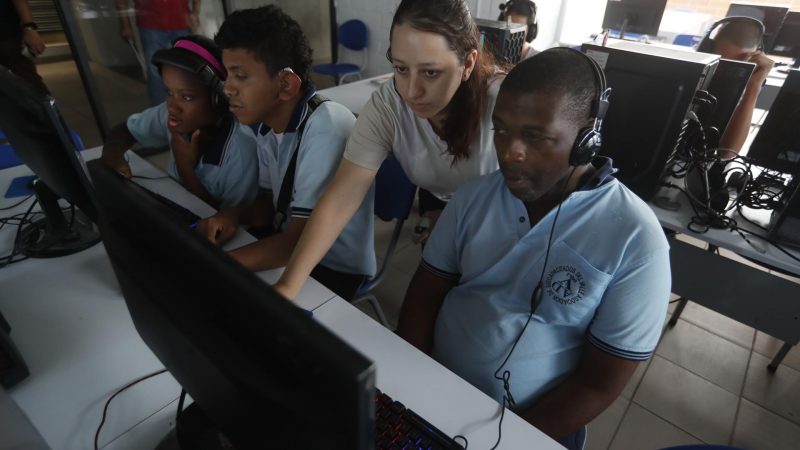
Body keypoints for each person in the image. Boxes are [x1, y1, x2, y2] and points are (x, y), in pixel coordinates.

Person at [396, 48, 670, 449]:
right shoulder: (473, 198)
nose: (511, 153)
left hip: (526, 431)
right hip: (433, 393)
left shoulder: (636, 241)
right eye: (502, 131)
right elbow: (425, 291)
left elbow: (597, 385)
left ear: (586, 140)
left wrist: (499, 440)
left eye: (536, 136)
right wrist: (408, 383)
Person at [274, 0, 503, 300]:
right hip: (446, 211)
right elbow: (342, 196)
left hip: (504, 224)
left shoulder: (502, 104)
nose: (411, 91)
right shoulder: (388, 105)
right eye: (401, 68)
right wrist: (288, 286)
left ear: (468, 64)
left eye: (431, 73)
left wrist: (457, 221)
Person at [195, 6, 375, 300]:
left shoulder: (325, 127)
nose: (227, 88)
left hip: (333, 267)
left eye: (240, 76)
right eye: (227, 75)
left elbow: (299, 242)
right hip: (287, 244)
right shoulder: (267, 127)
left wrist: (214, 264)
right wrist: (235, 214)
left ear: (286, 85)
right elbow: (270, 205)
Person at [100, 34, 258, 210]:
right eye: (168, 92)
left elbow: (231, 225)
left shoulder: (241, 155)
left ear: (218, 99)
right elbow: (125, 130)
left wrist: (186, 172)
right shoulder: (171, 116)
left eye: (187, 97)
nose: (173, 106)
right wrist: (113, 153)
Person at [697, 17, 774, 156]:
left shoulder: (747, 81)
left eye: (737, 65)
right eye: (721, 63)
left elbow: (727, 153)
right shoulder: (693, 72)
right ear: (706, 50)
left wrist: (754, 87)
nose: (726, 72)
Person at [116, 0, 200, 105]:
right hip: (151, 24)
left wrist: (195, 12)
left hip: (182, 21)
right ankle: (159, 112)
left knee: (186, 70)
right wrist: (125, 24)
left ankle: (190, 108)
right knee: (155, 72)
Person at [0, 0, 49, 94]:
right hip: (8, 38)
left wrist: (29, 28)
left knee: (30, 87)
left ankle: (43, 108)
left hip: (9, 39)